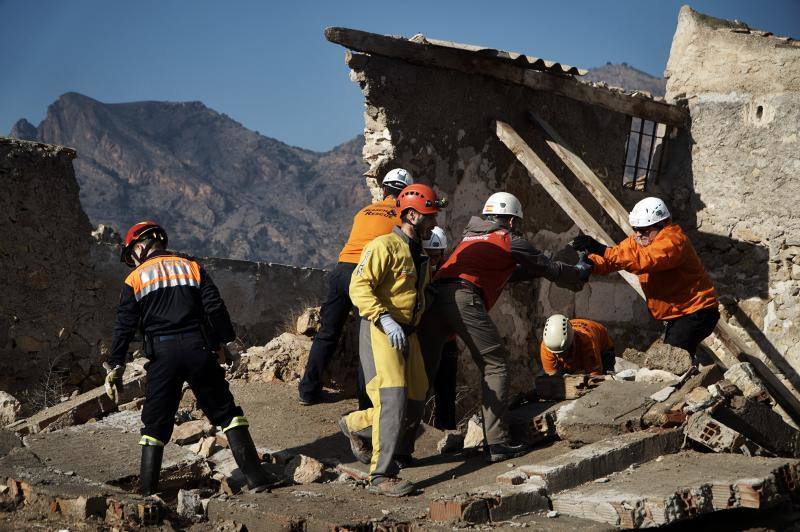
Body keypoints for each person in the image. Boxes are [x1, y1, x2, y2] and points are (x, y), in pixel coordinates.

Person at [105, 221, 282, 496]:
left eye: (132, 254)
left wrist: (115, 364)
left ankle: (147, 493)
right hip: (199, 348)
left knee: (155, 425)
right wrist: (224, 342)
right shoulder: (191, 266)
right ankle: (257, 479)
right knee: (226, 413)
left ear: (140, 246)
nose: (133, 260)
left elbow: (124, 326)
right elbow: (214, 306)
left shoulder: (134, 279)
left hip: (162, 356)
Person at [418, 192, 590, 463]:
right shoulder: (508, 239)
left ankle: (397, 448)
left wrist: (549, 269)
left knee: (422, 375)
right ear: (510, 220)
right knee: (495, 365)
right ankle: (497, 442)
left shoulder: (470, 238)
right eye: (517, 223)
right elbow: (547, 267)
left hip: (435, 298)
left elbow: (513, 272)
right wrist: (578, 272)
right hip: (463, 297)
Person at [337, 184, 445, 497]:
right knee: (393, 400)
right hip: (382, 329)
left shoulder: (419, 254)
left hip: (407, 334)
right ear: (411, 214)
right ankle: (380, 475)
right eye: (429, 216)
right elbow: (359, 287)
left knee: (414, 401)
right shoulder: (383, 246)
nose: (433, 223)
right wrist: (383, 317)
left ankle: (359, 426)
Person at [298, 169, 414, 406]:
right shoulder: (401, 215)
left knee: (327, 333)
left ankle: (307, 391)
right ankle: (366, 403)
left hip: (340, 270)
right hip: (363, 274)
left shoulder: (363, 212)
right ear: (405, 194)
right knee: (367, 342)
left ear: (384, 190)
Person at [570, 197, 719, 360]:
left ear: (662, 225)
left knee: (671, 361)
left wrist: (600, 249)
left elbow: (644, 260)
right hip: (680, 314)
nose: (638, 235)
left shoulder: (674, 241)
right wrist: (592, 263)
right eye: (636, 229)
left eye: (643, 230)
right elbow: (616, 257)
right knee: (674, 359)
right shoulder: (641, 240)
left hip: (697, 312)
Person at [422, 227, 459, 431]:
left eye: (437, 255)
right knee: (419, 391)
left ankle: (448, 432)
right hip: (424, 341)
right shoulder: (416, 271)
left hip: (447, 340)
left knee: (446, 392)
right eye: (430, 255)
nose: (434, 260)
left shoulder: (447, 271)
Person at [539, 314, 615, 376]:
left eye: (562, 353)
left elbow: (595, 377)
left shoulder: (588, 343)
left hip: (603, 349)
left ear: (571, 344)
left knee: (605, 379)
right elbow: (551, 377)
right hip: (575, 351)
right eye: (555, 353)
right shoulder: (547, 346)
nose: (558, 357)